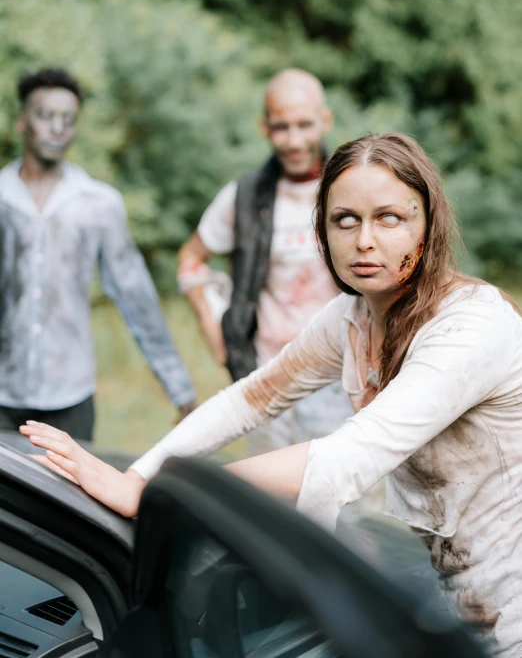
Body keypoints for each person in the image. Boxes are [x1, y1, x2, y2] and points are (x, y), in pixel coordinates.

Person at [22, 131, 522, 656]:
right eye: (344, 219)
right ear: (323, 232)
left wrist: (163, 495)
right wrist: (138, 476)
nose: (364, 240)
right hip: (451, 602)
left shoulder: (470, 328)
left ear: (429, 226)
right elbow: (250, 399)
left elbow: (342, 461)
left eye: (390, 218)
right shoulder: (350, 320)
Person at [0, 67, 196, 440]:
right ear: (21, 122)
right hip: (3, 395)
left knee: (66, 498)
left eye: (68, 119)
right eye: (45, 116)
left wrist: (180, 389)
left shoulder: (98, 204)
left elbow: (135, 296)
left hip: (71, 396)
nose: (58, 128)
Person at [177, 68, 352, 455]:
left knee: (338, 505)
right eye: (281, 127)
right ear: (264, 127)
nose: (294, 140)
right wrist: (212, 328)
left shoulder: (351, 189)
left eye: (305, 125)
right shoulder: (243, 196)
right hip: (266, 375)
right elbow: (191, 259)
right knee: (267, 501)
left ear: (325, 121)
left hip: (339, 378)